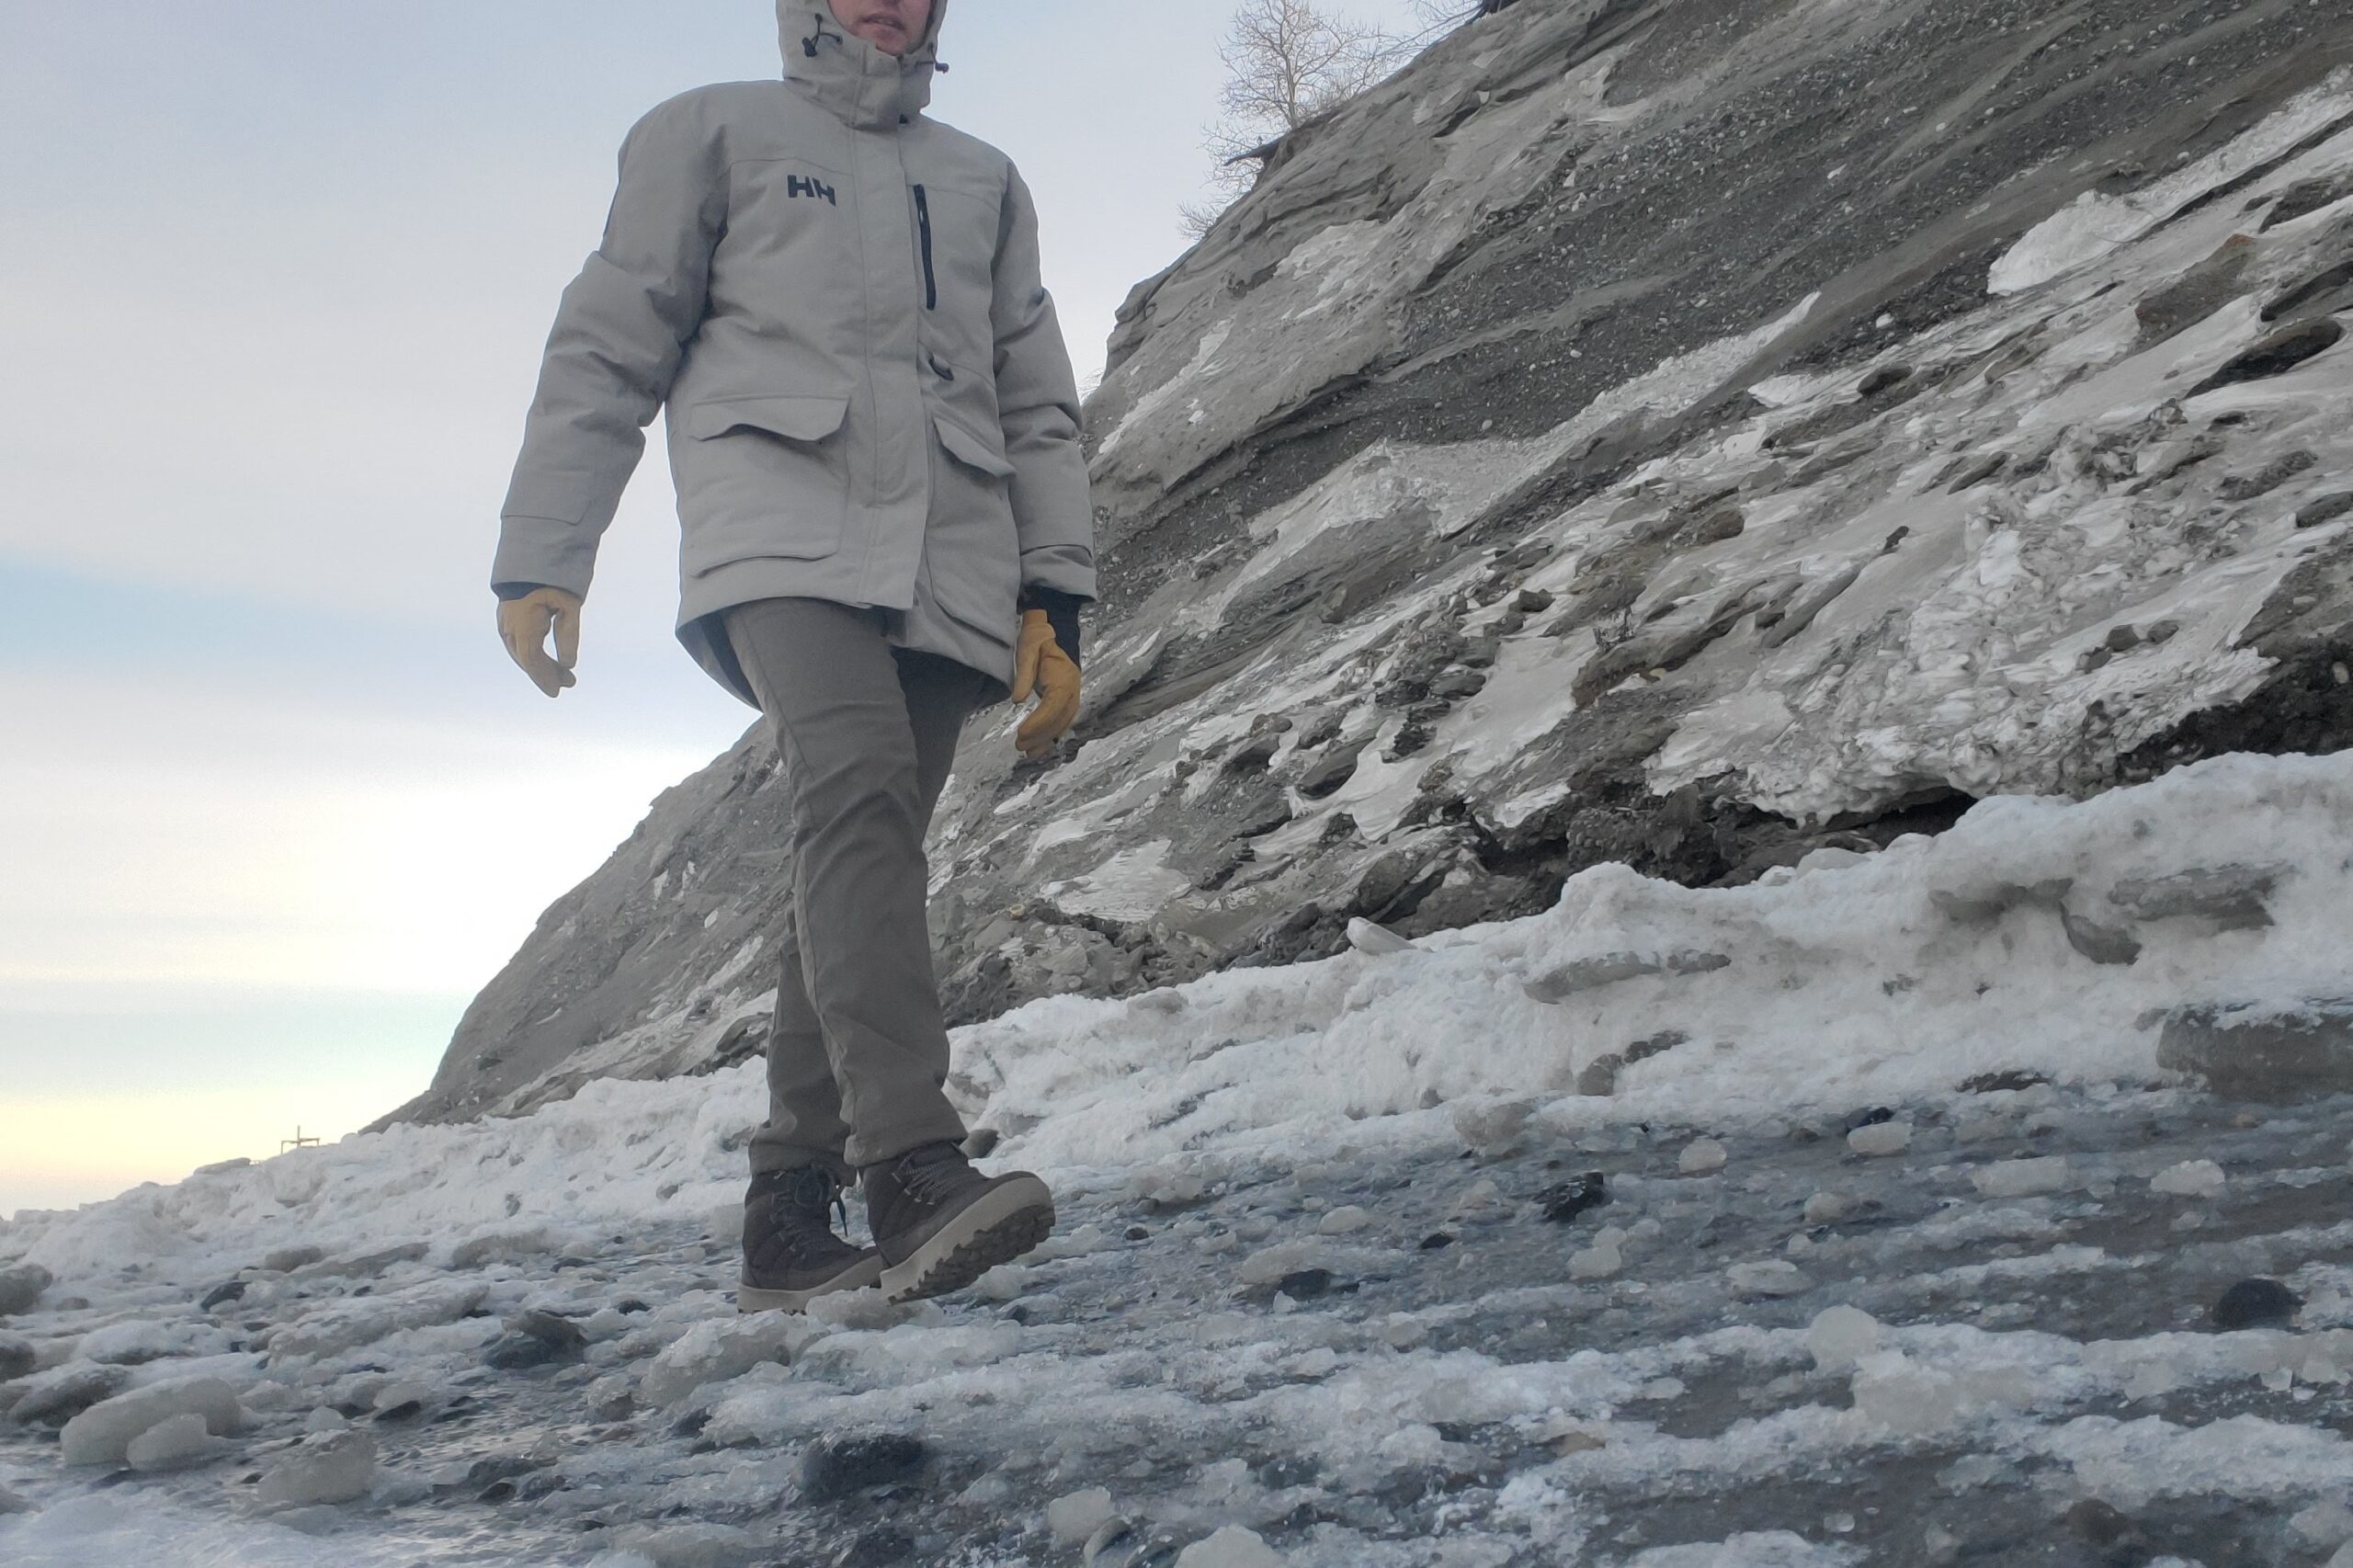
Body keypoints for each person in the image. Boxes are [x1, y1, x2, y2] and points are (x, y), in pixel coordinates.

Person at [488, 0, 1093, 1309]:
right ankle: (913, 1163)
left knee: (862, 837)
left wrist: (1055, 594)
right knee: (860, 779)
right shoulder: (708, 133)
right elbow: (609, 340)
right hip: (779, 530)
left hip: (953, 550)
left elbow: (1035, 397)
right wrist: (548, 547)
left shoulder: (986, 181)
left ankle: (786, 1209)